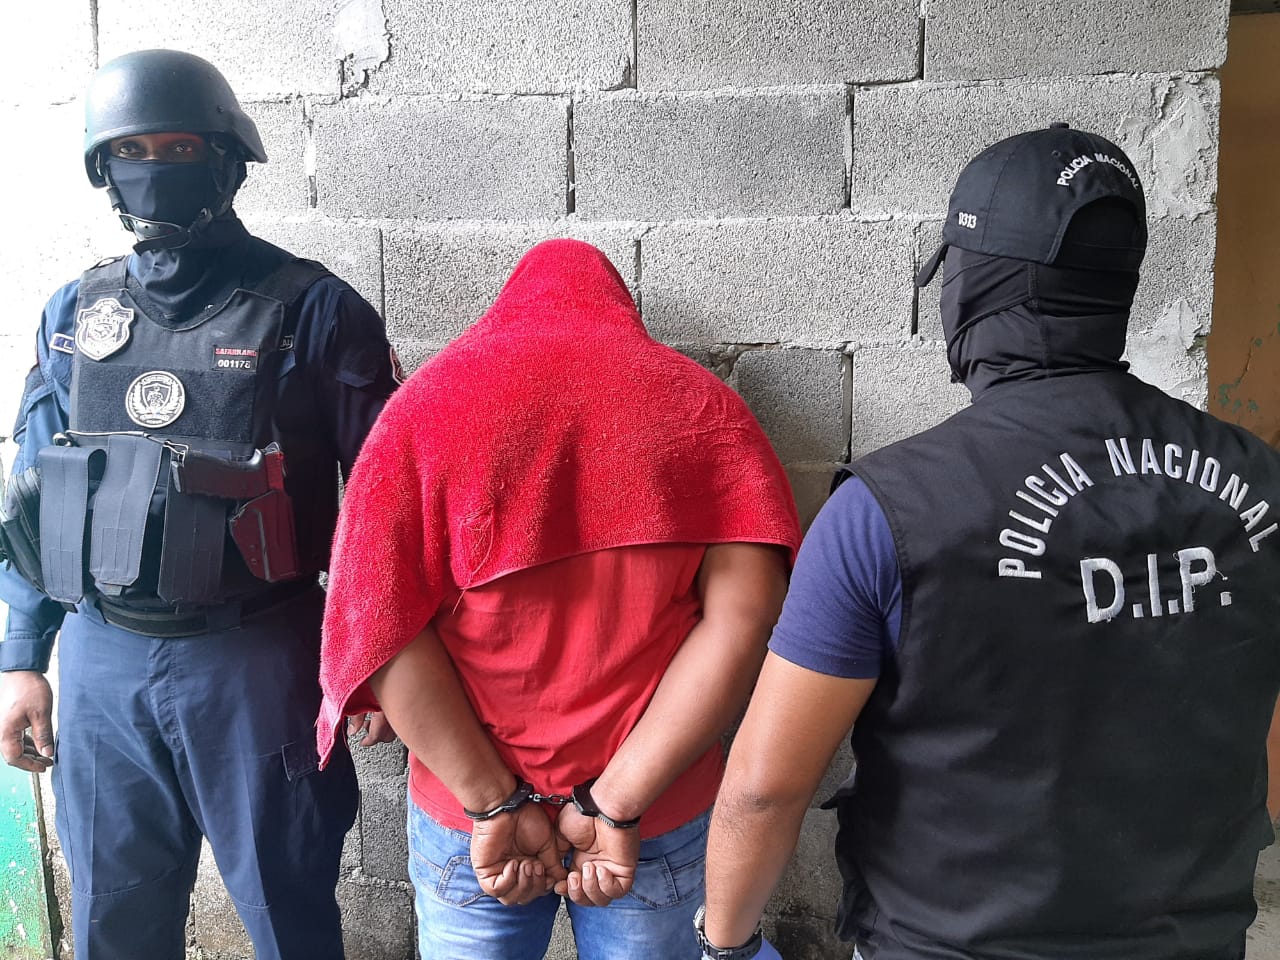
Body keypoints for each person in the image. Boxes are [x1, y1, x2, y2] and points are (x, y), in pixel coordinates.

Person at [701, 124, 1280, 960]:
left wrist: (724, 944)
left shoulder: (887, 512)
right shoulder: (1257, 479)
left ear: (975, 285)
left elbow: (764, 789)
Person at [0, 49, 400, 960]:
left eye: (178, 147)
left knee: (287, 916)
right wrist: (22, 657)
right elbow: (35, 498)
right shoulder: (74, 311)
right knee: (114, 922)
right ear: (104, 170)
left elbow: (386, 508)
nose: (153, 167)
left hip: (257, 658)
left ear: (225, 160)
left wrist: (372, 658)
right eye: (131, 149)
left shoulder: (316, 310)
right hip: (102, 659)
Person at [317, 237, 801, 959]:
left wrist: (494, 802)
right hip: (652, 811)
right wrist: (617, 802)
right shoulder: (705, 411)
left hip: (471, 817)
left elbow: (378, 623)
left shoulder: (423, 411)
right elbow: (748, 618)